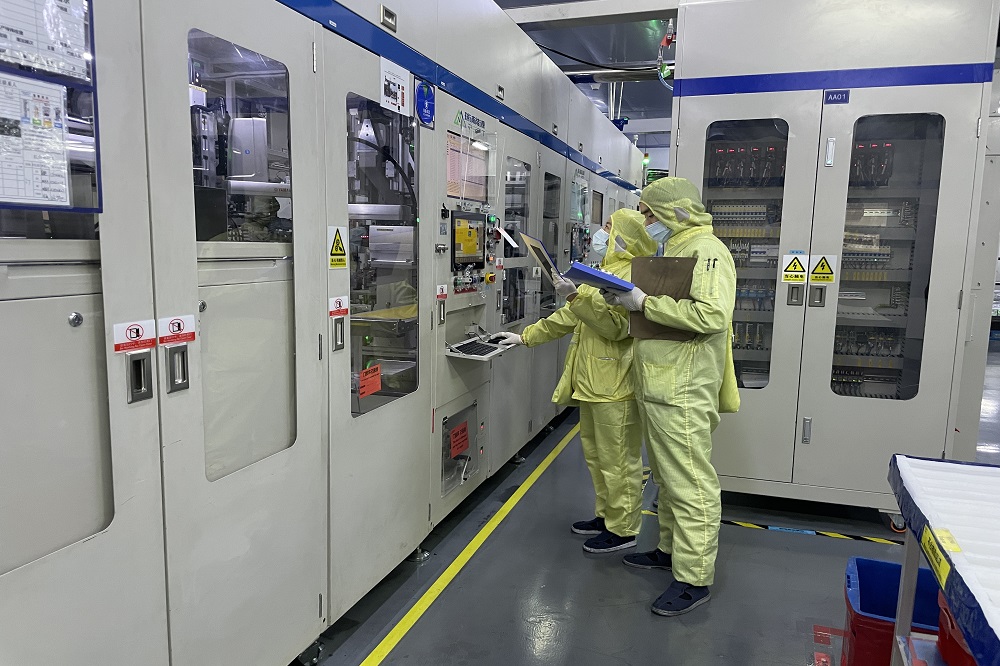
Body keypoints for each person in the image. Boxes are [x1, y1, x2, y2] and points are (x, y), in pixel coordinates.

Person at [604, 177, 739, 617]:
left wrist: (644, 303)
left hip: (682, 388)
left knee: (690, 483)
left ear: (676, 211)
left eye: (650, 214)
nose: (646, 222)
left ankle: (694, 578)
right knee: (666, 479)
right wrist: (625, 300)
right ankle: (669, 550)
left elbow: (712, 315)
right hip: (660, 384)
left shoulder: (707, 250)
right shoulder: (677, 248)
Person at [494, 209, 655, 553]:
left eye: (610, 227)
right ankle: (606, 516)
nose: (603, 232)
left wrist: (574, 296)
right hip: (594, 381)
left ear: (624, 236)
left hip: (617, 384)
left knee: (619, 461)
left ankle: (623, 529)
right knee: (597, 456)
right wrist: (524, 337)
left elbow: (616, 328)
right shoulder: (605, 270)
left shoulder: (634, 275)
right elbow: (570, 317)